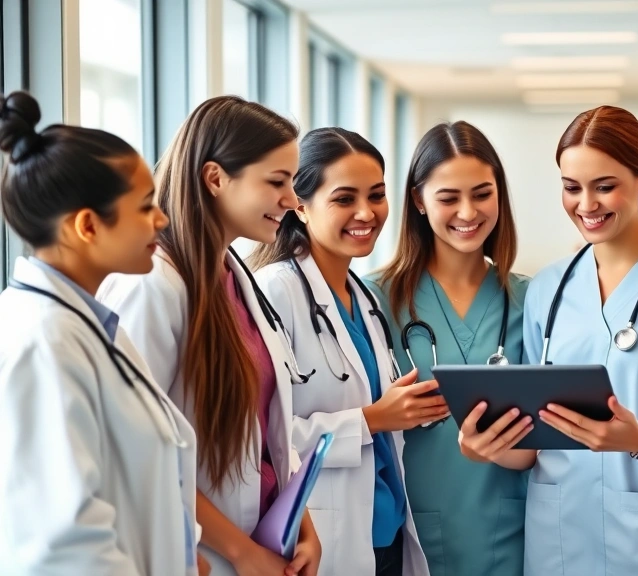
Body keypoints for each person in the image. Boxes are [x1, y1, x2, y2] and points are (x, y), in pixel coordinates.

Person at [467, 105, 638, 576]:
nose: (586, 205)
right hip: (558, 529)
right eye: (571, 188)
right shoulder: (547, 288)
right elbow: (533, 441)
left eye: (605, 186)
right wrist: (488, 444)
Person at [97, 96, 322, 576]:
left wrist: (299, 521)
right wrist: (241, 552)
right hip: (206, 554)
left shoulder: (233, 270)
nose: (292, 200)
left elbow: (265, 432)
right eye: (276, 182)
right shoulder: (151, 285)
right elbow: (135, 450)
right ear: (216, 178)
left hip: (261, 541)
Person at [0, 90, 208, 576]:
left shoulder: (87, 324)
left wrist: (179, 551)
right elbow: (65, 543)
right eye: (145, 207)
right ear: (88, 226)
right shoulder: (41, 340)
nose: (162, 220)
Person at [249, 127, 437, 576]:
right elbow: (259, 440)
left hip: (385, 531)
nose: (366, 212)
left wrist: (412, 408)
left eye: (376, 195)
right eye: (344, 198)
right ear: (300, 204)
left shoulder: (364, 297)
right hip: (325, 535)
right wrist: (373, 420)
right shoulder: (277, 291)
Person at [365, 120, 531, 576]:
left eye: (482, 193)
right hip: (409, 532)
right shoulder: (373, 298)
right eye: (448, 197)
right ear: (418, 200)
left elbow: (546, 434)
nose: (467, 211)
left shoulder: (531, 301)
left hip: (510, 532)